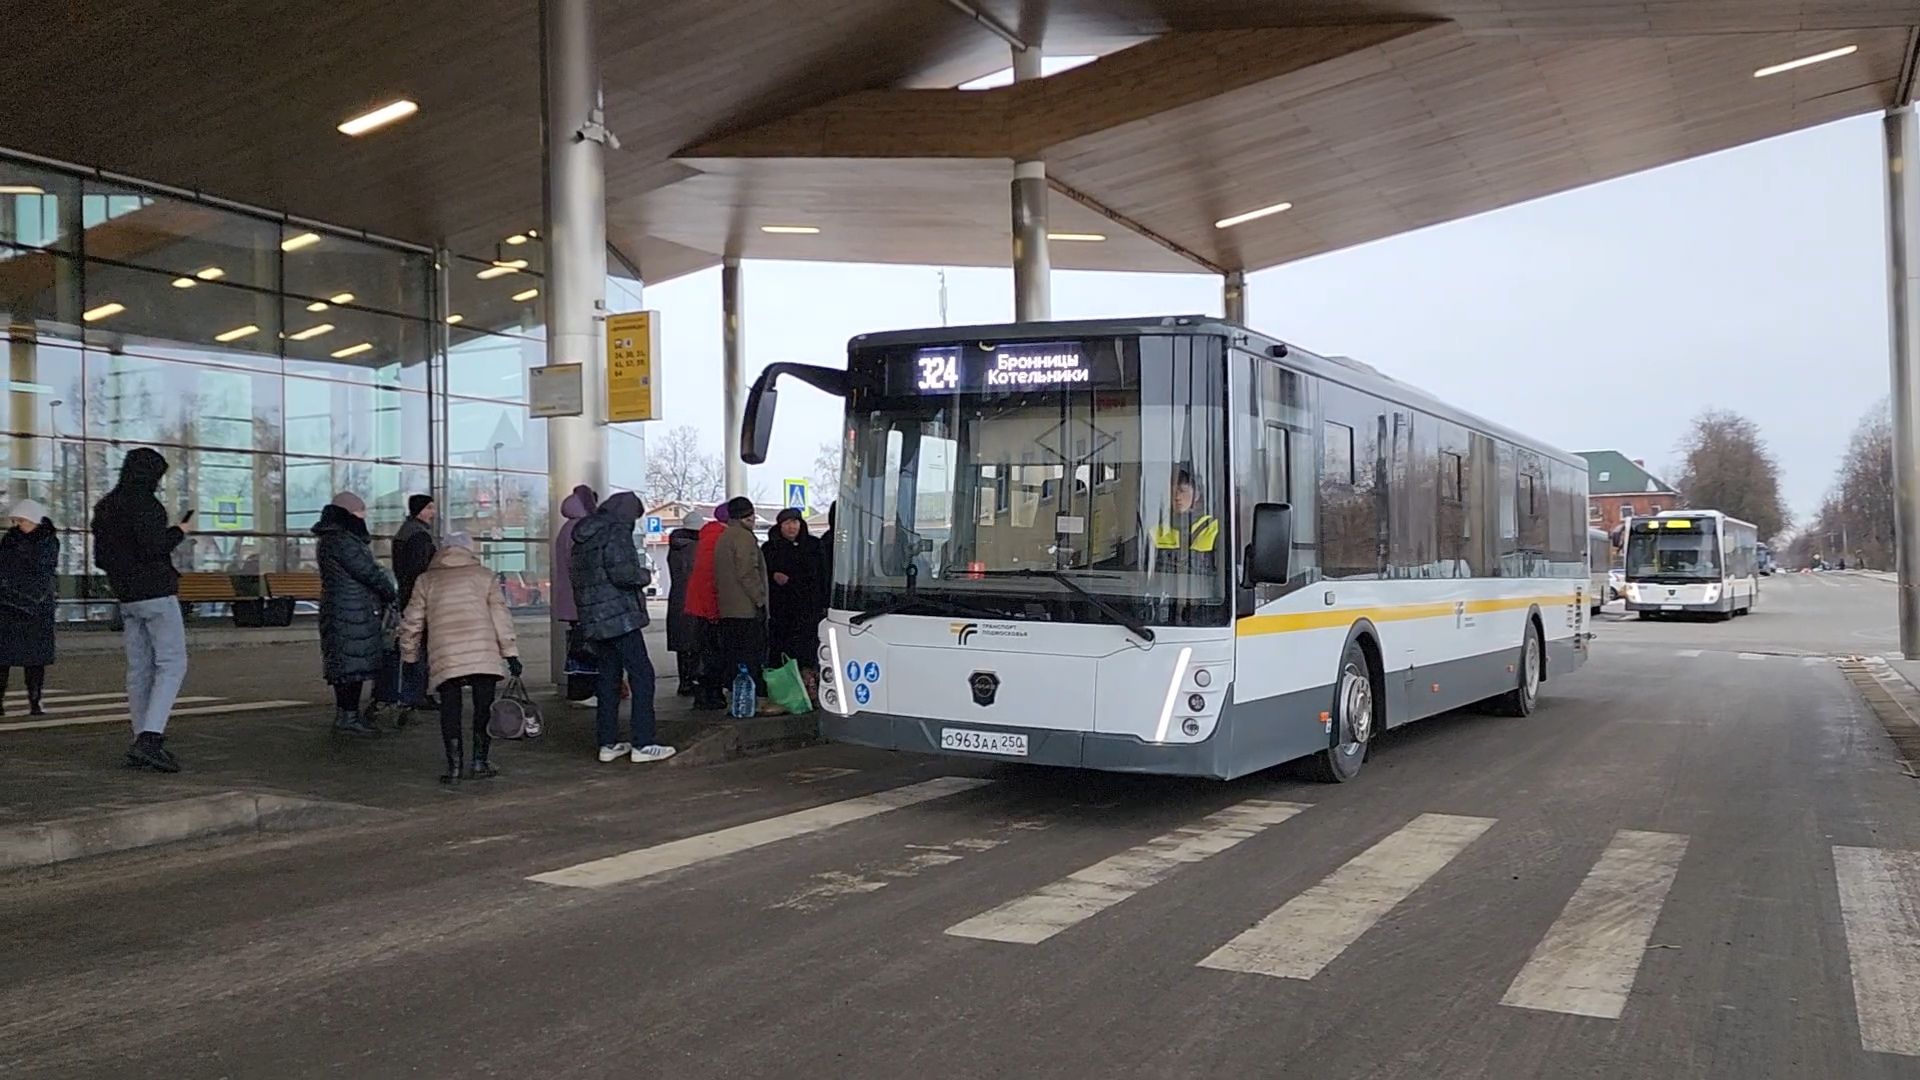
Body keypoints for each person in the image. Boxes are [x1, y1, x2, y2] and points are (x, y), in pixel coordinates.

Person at [91, 447, 190, 772]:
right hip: (157, 593)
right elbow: (154, 547)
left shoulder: (105, 507)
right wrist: (179, 532)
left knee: (139, 670)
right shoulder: (147, 506)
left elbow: (101, 558)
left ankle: (140, 735)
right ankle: (150, 737)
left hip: (127, 597)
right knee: (171, 664)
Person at [398, 532, 520, 784]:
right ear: (469, 550)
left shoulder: (426, 580)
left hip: (446, 654)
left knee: (450, 709)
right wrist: (510, 653)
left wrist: (409, 655)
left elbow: (412, 622)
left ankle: (454, 768)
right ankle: (480, 761)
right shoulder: (484, 576)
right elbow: (501, 618)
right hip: (482, 652)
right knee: (482, 707)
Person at [570, 491, 675, 763]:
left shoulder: (584, 535)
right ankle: (644, 742)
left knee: (608, 679)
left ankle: (608, 743)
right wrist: (645, 575)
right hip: (619, 617)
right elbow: (623, 574)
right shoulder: (615, 532)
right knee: (643, 675)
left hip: (594, 618)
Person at [314, 491, 397, 737]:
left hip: (346, 609)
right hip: (350, 611)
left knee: (349, 664)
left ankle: (347, 715)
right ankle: (348, 717)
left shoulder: (333, 538)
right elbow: (367, 572)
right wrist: (389, 591)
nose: (364, 517)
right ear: (349, 514)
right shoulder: (342, 540)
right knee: (351, 665)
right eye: (361, 512)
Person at [0, 499, 58, 718]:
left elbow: (42, 569)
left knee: (34, 661)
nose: (17, 524)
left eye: (21, 520)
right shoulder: (12, 539)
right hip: (10, 606)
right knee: (4, 659)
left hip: (34, 608)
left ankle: (35, 702)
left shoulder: (46, 541)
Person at [715, 496, 774, 709]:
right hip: (745, 608)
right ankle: (753, 702)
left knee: (733, 655)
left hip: (728, 608)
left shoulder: (724, 537)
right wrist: (759, 600)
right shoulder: (744, 538)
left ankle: (735, 699)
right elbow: (747, 572)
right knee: (750, 655)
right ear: (747, 516)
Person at [762, 508, 823, 691]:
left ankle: (808, 687)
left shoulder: (813, 545)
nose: (791, 527)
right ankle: (784, 689)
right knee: (782, 650)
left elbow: (820, 575)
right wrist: (773, 576)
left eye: (795, 522)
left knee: (807, 651)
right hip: (781, 611)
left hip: (808, 610)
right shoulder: (770, 548)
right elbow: (762, 574)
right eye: (787, 523)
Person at [552, 484, 599, 706]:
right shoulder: (582, 530)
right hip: (582, 598)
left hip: (569, 598)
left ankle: (577, 689)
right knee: (586, 646)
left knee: (577, 643)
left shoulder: (565, 529)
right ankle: (584, 691)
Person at [391, 493, 438, 707]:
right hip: (419, 598)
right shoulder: (419, 536)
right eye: (429, 508)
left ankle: (412, 693)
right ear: (419, 510)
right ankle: (419, 693)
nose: (433, 513)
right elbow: (422, 570)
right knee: (420, 646)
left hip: (407, 596)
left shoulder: (405, 533)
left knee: (411, 644)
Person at [684, 502, 729, 710]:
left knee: (704, 651)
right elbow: (712, 578)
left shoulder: (707, 536)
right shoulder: (720, 539)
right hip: (709, 606)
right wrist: (713, 612)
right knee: (713, 653)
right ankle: (710, 694)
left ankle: (705, 693)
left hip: (697, 605)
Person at [665, 508, 707, 698]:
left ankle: (684, 681)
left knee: (683, 643)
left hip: (677, 598)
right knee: (697, 641)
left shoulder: (674, 546)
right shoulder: (697, 547)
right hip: (696, 598)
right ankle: (695, 680)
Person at [1152, 469, 1220, 577]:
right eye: (1172, 492)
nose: (1177, 497)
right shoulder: (1156, 532)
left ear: (1196, 494)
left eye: (1182, 490)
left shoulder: (1214, 529)